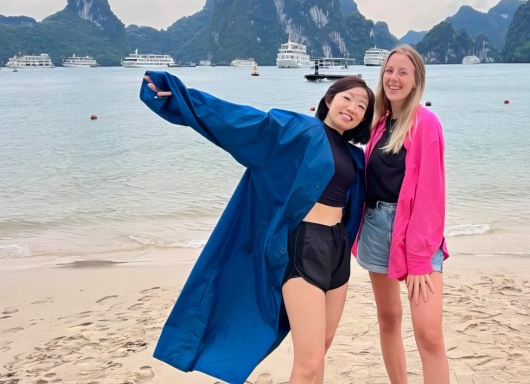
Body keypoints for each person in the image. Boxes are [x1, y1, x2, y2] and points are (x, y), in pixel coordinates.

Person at [140, 70, 375, 384]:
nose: (353, 108)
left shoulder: (355, 156)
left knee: (322, 347)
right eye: (348, 98)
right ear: (329, 100)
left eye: (362, 106)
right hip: (303, 245)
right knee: (308, 361)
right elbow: (241, 121)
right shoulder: (300, 130)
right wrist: (181, 97)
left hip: (337, 248)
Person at [353, 44, 450, 383]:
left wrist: (420, 259)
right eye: (389, 71)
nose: (393, 78)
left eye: (402, 72)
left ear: (415, 81)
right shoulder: (380, 124)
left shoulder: (426, 123)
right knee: (389, 320)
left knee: (429, 334)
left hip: (418, 235)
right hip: (376, 228)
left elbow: (431, 194)